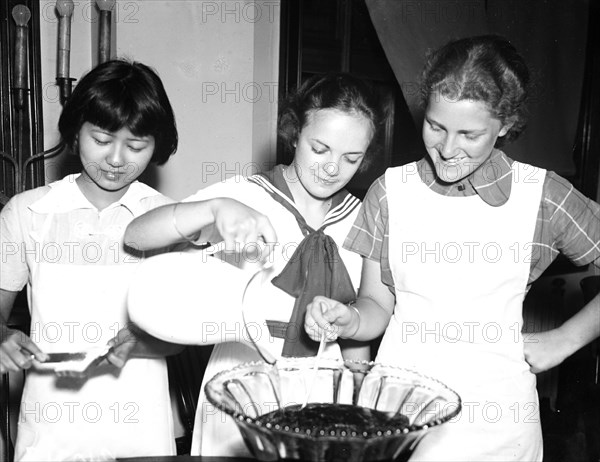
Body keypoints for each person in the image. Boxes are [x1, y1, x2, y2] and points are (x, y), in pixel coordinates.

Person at [305, 35, 600, 462]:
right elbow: (376, 303)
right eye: (436, 126)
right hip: (399, 416)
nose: (447, 149)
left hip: (498, 428)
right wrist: (349, 319)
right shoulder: (390, 191)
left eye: (470, 134)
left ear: (505, 124)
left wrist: (565, 339)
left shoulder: (543, 196)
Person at [124, 72, 383, 457]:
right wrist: (212, 209)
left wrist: (357, 401)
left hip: (323, 387)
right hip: (242, 383)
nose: (332, 168)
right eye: (320, 149)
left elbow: (358, 331)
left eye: (351, 158)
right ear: (295, 133)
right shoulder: (244, 196)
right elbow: (136, 234)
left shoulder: (361, 217)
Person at [0, 59, 183, 461]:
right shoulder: (28, 212)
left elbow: (183, 334)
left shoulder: (171, 219)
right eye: (101, 139)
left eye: (136, 146)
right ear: (75, 132)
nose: (117, 159)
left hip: (141, 420)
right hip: (51, 424)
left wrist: (149, 338)